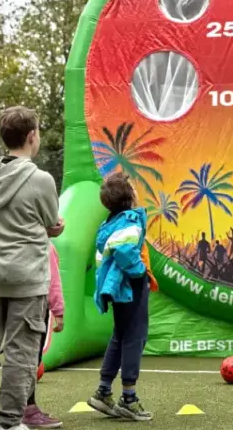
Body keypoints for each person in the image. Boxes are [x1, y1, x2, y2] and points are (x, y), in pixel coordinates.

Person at [0, 107, 63, 430]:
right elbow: (51, 223)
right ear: (32, 136)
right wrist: (55, 227)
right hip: (28, 279)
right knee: (21, 352)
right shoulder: (41, 179)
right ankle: (8, 421)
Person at [87, 173, 152, 422]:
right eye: (133, 188)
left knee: (120, 335)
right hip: (131, 286)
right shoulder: (131, 219)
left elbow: (105, 254)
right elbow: (125, 251)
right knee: (134, 336)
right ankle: (129, 397)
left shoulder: (109, 223)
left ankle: (103, 391)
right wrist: (139, 271)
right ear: (129, 197)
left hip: (117, 289)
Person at [19, 242, 65, 429]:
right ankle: (27, 408)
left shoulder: (16, 241)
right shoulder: (45, 246)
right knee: (31, 359)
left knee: (19, 357)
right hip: (36, 308)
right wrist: (59, 311)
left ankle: (15, 408)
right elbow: (52, 281)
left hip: (13, 305)